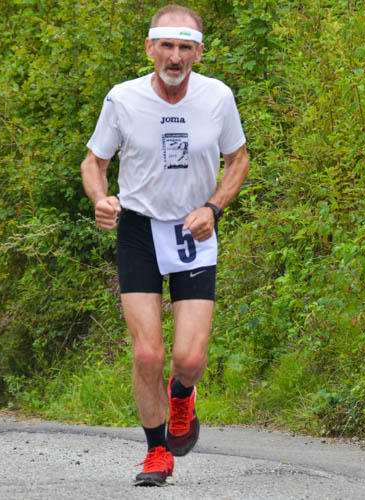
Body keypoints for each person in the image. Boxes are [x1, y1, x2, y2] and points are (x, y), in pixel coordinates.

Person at [81, 4, 249, 487]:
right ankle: (157, 452)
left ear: (199, 52)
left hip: (194, 229)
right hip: (139, 229)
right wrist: (100, 199)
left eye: (185, 47)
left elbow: (238, 159)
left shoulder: (217, 97)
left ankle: (182, 394)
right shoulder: (123, 98)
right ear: (150, 48)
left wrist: (213, 207)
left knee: (189, 361)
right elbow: (94, 162)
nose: (175, 57)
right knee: (147, 355)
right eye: (167, 46)